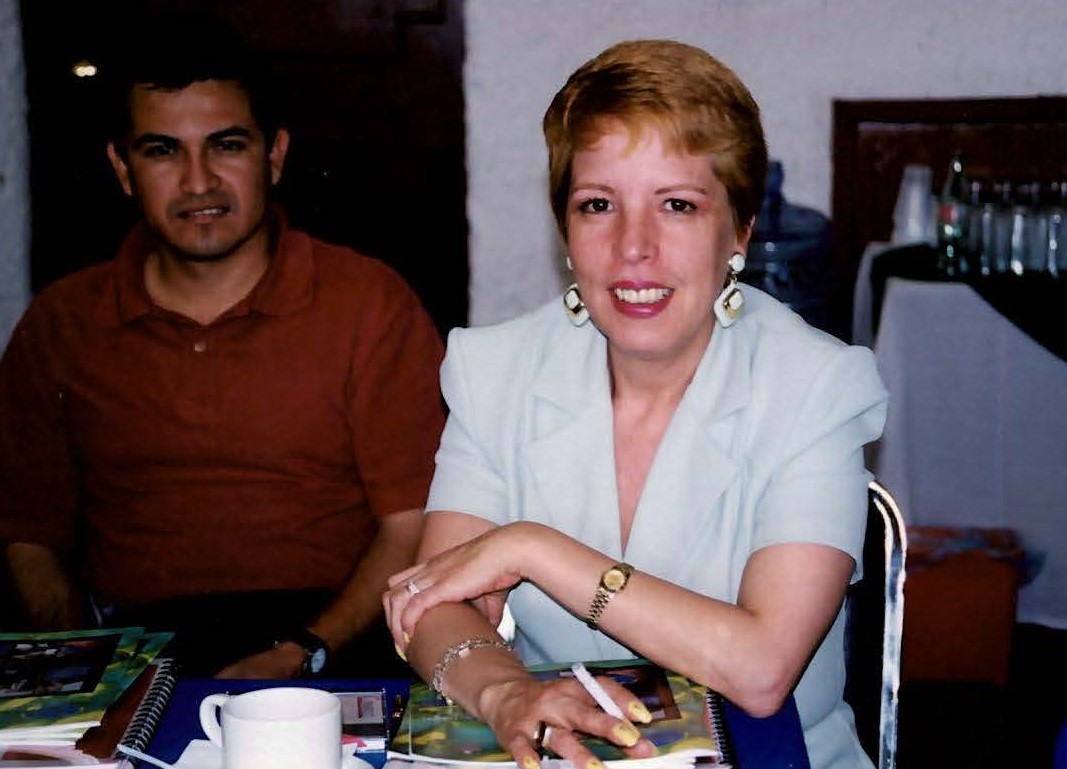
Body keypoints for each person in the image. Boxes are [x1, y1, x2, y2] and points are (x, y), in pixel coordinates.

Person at [384, 39, 888, 769]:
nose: (633, 248)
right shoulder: (495, 371)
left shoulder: (817, 387)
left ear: (739, 231)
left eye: (677, 205)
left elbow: (759, 670)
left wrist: (532, 548)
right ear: (566, 232)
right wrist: (504, 692)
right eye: (598, 205)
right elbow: (432, 604)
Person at [0, 11, 446, 679]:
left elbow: (414, 524)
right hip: (132, 650)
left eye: (227, 145)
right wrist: (83, 672)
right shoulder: (61, 324)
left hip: (333, 642)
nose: (198, 181)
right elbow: (28, 535)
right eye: (162, 151)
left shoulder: (369, 304)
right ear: (123, 169)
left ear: (274, 155)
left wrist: (305, 649)